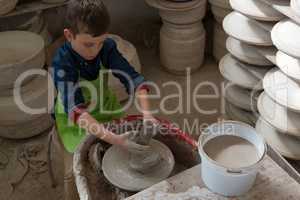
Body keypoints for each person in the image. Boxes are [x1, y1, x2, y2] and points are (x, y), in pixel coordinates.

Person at [50, 0, 155, 199]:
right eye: (88, 44)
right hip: (75, 122)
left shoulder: (106, 47)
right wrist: (115, 139)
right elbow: (77, 112)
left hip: (106, 108)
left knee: (121, 156)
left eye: (100, 42)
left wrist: (148, 115)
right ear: (69, 35)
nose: (95, 51)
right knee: (76, 170)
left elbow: (134, 80)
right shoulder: (62, 63)